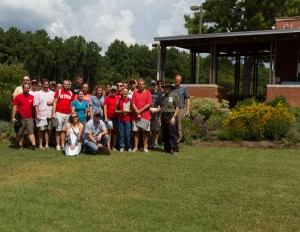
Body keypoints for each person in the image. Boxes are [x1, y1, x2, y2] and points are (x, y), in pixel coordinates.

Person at [12, 83, 37, 150]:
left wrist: (34, 117)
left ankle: (34, 146)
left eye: (27, 88)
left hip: (29, 118)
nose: (26, 89)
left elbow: (35, 108)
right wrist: (13, 117)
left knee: (31, 132)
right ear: (23, 88)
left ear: (29, 88)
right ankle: (21, 146)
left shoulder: (32, 97)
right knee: (20, 133)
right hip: (20, 118)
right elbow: (14, 107)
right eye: (25, 88)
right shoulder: (18, 97)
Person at [52, 80, 74, 151]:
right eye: (65, 84)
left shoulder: (71, 93)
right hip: (59, 113)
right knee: (58, 130)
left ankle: (63, 144)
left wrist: (72, 113)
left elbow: (72, 104)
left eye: (67, 84)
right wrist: (54, 113)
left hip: (68, 114)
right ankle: (57, 145)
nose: (66, 85)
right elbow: (54, 102)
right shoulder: (58, 92)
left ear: (69, 85)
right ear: (63, 85)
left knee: (64, 130)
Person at [131, 79, 152, 153]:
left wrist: (140, 111)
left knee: (145, 132)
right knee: (136, 132)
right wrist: (137, 112)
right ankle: (135, 147)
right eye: (140, 84)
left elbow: (149, 103)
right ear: (138, 85)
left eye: (142, 84)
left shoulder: (148, 93)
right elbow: (133, 103)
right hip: (136, 116)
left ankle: (145, 147)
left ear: (144, 85)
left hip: (145, 116)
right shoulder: (135, 93)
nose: (141, 85)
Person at [33, 79, 55, 149]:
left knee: (48, 131)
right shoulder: (38, 93)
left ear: (49, 85)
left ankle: (47, 144)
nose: (46, 86)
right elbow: (36, 105)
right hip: (41, 115)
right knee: (41, 130)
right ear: (42, 85)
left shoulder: (52, 93)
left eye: (47, 84)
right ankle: (40, 145)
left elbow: (55, 102)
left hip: (49, 114)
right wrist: (37, 114)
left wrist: (51, 103)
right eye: (44, 84)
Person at [161, 82, 179, 155]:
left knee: (172, 133)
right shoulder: (164, 96)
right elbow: (162, 107)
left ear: (171, 88)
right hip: (164, 115)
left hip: (171, 115)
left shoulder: (174, 95)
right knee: (165, 133)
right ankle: (167, 148)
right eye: (165, 87)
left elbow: (177, 107)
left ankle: (174, 149)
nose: (167, 88)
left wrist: (174, 117)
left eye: (168, 87)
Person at [172, 74, 190, 143]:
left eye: (179, 80)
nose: (177, 81)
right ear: (174, 80)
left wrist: (188, 110)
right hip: (172, 109)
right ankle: (173, 139)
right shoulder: (172, 89)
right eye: (176, 80)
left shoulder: (184, 89)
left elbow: (188, 99)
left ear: (181, 81)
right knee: (172, 125)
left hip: (180, 109)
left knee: (178, 125)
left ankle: (178, 140)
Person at [115, 88, 132, 152]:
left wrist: (127, 111)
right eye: (123, 91)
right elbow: (115, 110)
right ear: (121, 92)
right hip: (120, 119)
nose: (124, 93)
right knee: (121, 134)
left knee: (128, 134)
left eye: (126, 91)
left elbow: (132, 110)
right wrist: (121, 111)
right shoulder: (119, 100)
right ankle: (122, 146)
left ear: (128, 93)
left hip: (127, 119)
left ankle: (129, 147)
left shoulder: (130, 100)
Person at [103, 85, 120, 150]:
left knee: (115, 132)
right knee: (108, 131)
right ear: (110, 91)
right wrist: (106, 117)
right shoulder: (107, 98)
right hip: (109, 117)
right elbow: (105, 107)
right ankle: (108, 146)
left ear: (116, 91)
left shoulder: (118, 98)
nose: (113, 92)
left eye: (114, 91)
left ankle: (114, 146)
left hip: (116, 117)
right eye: (112, 90)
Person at [149, 80, 162, 148]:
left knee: (154, 130)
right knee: (147, 129)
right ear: (150, 85)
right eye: (152, 85)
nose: (153, 86)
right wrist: (150, 110)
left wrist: (156, 111)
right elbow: (145, 103)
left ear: (156, 86)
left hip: (156, 113)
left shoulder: (159, 94)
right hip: (147, 112)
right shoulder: (147, 93)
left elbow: (160, 104)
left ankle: (153, 143)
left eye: (154, 85)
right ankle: (148, 143)